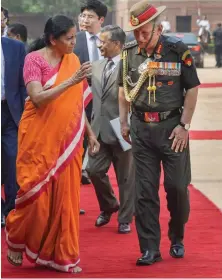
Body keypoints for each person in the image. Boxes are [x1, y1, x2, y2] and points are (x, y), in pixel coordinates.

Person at [5, 15, 100, 273]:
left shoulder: (73, 61)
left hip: (67, 140)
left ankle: (61, 256)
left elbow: (76, 104)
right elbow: (37, 98)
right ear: (52, 39)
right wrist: (71, 80)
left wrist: (90, 134)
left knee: (65, 200)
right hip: (37, 138)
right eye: (68, 38)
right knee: (34, 197)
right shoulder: (33, 59)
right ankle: (16, 238)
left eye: (74, 38)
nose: (73, 43)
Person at [118, 0, 200, 266]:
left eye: (145, 32)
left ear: (159, 27)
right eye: (136, 33)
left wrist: (184, 125)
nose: (140, 38)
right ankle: (150, 248)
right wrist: (123, 122)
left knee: (176, 187)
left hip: (172, 129)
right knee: (144, 191)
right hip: (141, 129)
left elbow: (192, 89)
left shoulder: (178, 50)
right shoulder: (129, 52)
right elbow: (123, 90)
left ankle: (177, 236)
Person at [86, 25, 135, 234]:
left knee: (126, 177)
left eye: (103, 41)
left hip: (123, 129)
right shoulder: (95, 66)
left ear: (116, 44)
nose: (99, 45)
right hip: (98, 131)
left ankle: (125, 219)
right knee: (93, 170)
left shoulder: (131, 67)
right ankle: (109, 205)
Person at [74, 0, 108, 185]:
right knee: (80, 140)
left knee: (112, 140)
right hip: (82, 98)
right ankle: (77, 172)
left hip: (107, 100)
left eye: (90, 17)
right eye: (83, 16)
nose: (85, 20)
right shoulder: (74, 40)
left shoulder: (110, 39)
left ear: (101, 19)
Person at [1, 31, 26, 228]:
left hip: (10, 111)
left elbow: (22, 82)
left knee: (12, 159)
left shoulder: (15, 47)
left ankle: (11, 209)